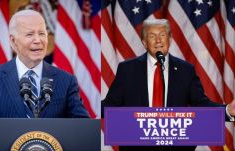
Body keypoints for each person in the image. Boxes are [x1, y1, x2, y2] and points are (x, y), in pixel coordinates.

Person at [101, 19, 235, 151]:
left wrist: (227, 110)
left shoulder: (186, 70)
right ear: (144, 42)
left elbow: (201, 104)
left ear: (170, 39)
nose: (158, 40)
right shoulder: (127, 69)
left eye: (163, 35)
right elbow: (111, 103)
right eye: (152, 36)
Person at [0, 10, 89, 118]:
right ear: (13, 41)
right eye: (30, 34)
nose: (38, 40)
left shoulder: (66, 81)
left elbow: (82, 128)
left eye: (41, 33)